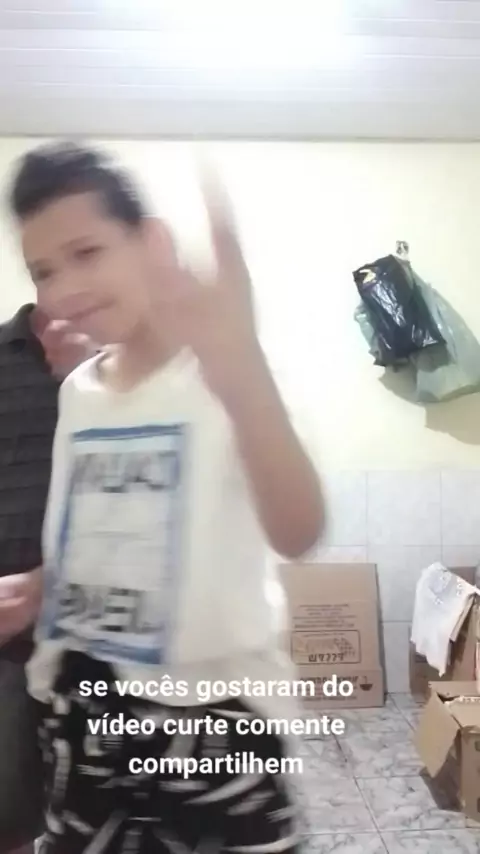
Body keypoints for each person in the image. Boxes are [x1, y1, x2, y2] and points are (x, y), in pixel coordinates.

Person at [10, 142, 324, 854]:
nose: (64, 288)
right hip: (82, 716)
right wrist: (45, 587)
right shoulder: (78, 393)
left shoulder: (222, 375)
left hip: (214, 726)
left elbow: (300, 530)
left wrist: (240, 369)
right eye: (43, 271)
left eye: (87, 252)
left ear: (151, 243)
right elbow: (99, 532)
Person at [0, 304, 93, 854]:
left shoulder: (142, 368)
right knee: (9, 818)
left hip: (106, 641)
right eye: (47, 267)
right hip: (9, 639)